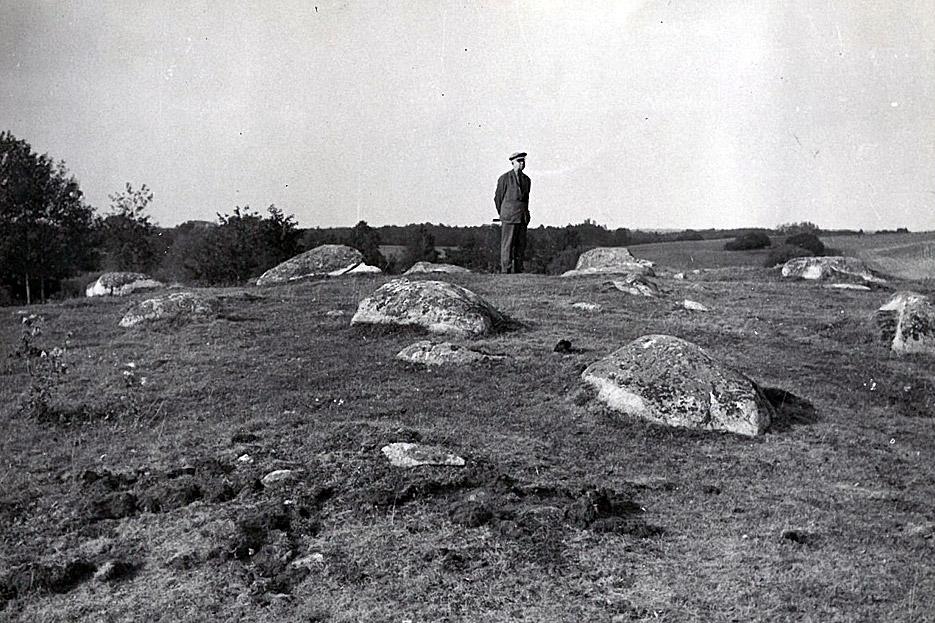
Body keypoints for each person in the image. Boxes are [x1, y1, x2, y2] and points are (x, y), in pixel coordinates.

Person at [494, 151, 531, 273]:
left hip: (522, 217)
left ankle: (518, 270)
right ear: (512, 163)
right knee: (507, 245)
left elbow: (526, 199)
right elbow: (498, 198)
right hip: (509, 216)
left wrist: (526, 214)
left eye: (523, 161)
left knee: (520, 245)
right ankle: (506, 270)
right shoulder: (504, 178)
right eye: (519, 161)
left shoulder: (527, 180)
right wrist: (504, 213)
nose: (522, 163)